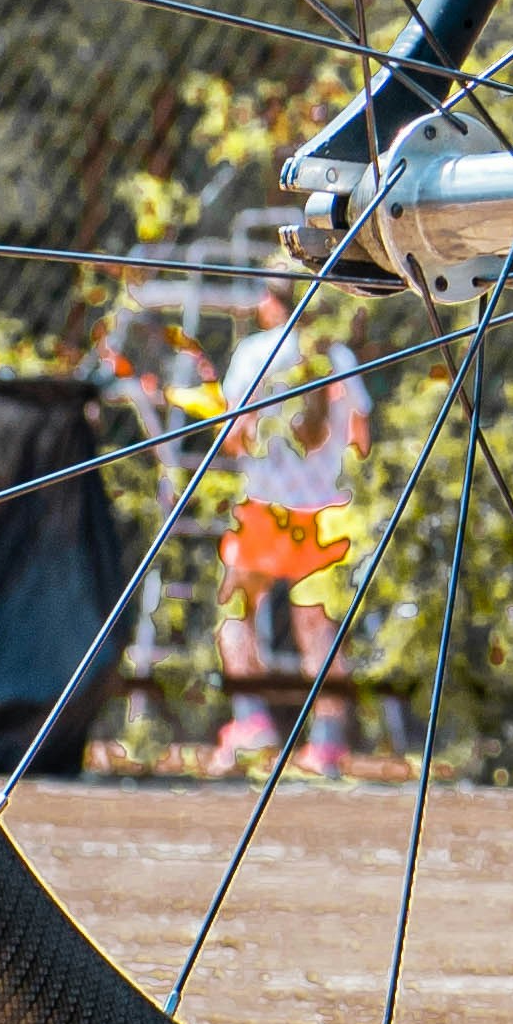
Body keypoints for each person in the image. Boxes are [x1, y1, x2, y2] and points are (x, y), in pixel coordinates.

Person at [206, 310, 372, 779]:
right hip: (325, 514)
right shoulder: (338, 356)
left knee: (237, 611)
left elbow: (234, 438)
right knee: (318, 629)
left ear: (270, 302)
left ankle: (251, 720)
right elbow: (361, 442)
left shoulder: (255, 353)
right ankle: (326, 745)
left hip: (265, 511)